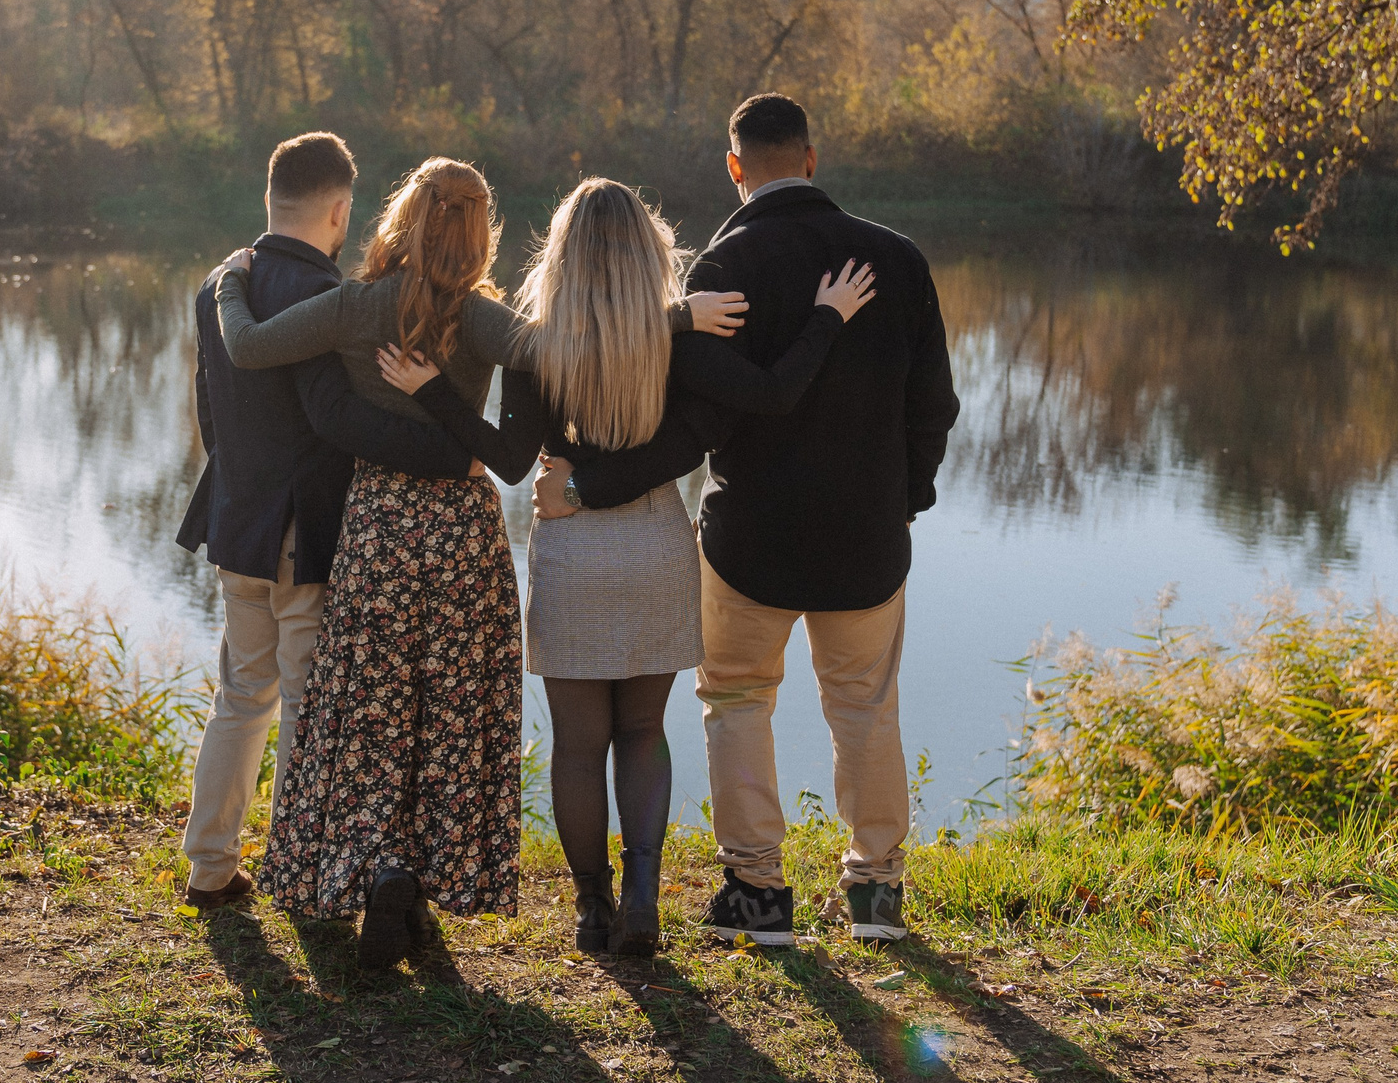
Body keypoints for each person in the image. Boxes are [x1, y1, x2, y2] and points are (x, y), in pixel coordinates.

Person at [209, 157, 742, 968]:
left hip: (381, 531)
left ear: (398, 219)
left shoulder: (351, 307)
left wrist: (228, 282)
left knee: (374, 714)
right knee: (455, 718)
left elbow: (247, 349)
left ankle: (379, 865)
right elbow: (578, 342)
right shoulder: (485, 319)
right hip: (462, 534)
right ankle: (435, 877)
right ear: (481, 232)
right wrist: (675, 316)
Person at [376, 178, 874, 959]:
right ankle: (643, 898)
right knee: (643, 731)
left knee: (578, 746)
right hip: (656, 542)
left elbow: (509, 462)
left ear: (562, 257)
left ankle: (590, 909)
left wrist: (435, 391)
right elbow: (720, 422)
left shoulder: (537, 345)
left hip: (571, 548)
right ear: (649, 251)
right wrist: (811, 319)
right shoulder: (678, 336)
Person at [669, 93, 960, 948]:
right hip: (867, 538)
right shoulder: (897, 259)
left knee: (735, 699)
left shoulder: (721, 267)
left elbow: (706, 416)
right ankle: (876, 897)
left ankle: (757, 896)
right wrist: (902, 500)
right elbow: (933, 405)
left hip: (749, 537)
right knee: (864, 706)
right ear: (810, 158)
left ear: (735, 168)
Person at [173, 132, 478, 911]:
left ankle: (210, 867)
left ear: (271, 201)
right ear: (340, 211)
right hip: (305, 533)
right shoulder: (330, 299)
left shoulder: (221, 284)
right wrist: (450, 454)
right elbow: (336, 420)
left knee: (241, 695)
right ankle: (303, 874)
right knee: (310, 702)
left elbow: (212, 412)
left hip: (237, 524)